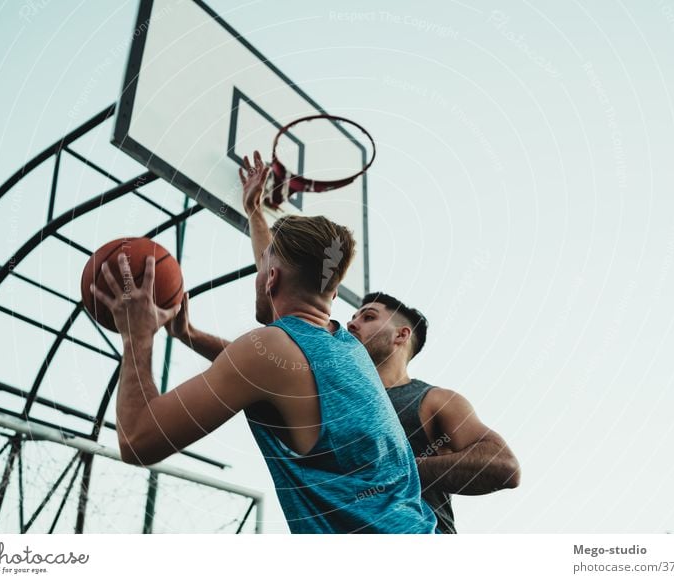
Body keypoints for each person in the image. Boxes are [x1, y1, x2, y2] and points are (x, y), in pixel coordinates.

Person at [91, 155, 437, 534]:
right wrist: (254, 211)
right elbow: (275, 283)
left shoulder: (266, 352)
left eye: (262, 271)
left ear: (270, 280)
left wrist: (137, 336)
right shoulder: (345, 346)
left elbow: (138, 442)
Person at [347, 293, 521, 534]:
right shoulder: (340, 402)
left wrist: (399, 471)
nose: (352, 324)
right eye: (353, 317)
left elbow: (503, 466)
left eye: (368, 317)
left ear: (401, 335)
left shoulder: (432, 400)